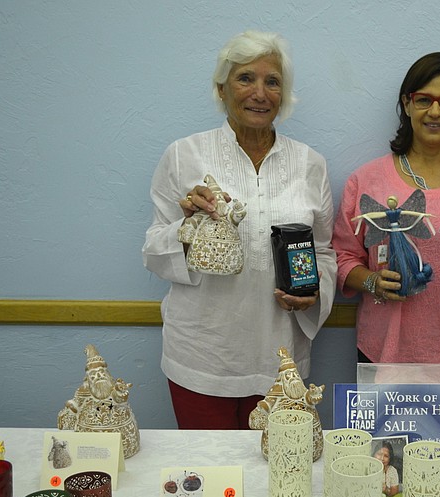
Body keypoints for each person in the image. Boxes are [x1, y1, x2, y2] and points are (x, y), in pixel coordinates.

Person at [142, 30, 336, 429]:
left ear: (284, 94)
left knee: (276, 479)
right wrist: (189, 226)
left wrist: (313, 294)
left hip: (280, 358)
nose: (260, 93)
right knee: (209, 480)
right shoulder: (184, 155)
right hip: (201, 357)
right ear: (221, 88)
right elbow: (152, 252)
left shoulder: (310, 164)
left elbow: (325, 252)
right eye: (246, 78)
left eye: (273, 81)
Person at [332, 52, 440, 383]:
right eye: (423, 99)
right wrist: (371, 281)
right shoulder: (367, 182)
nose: (435, 111)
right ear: (407, 104)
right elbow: (342, 256)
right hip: (382, 351)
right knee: (384, 438)